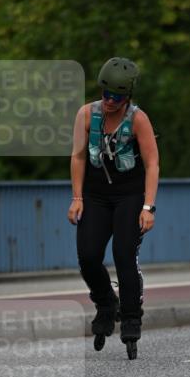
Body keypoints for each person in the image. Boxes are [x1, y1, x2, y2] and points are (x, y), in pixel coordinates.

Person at [68, 57, 160, 356]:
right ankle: (106, 302)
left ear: (128, 96)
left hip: (129, 196)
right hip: (95, 197)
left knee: (123, 255)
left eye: (117, 96)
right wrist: (77, 198)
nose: (109, 100)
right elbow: (79, 157)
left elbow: (152, 163)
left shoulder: (138, 119)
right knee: (88, 256)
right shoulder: (86, 114)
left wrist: (148, 207)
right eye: (105, 93)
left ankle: (131, 317)